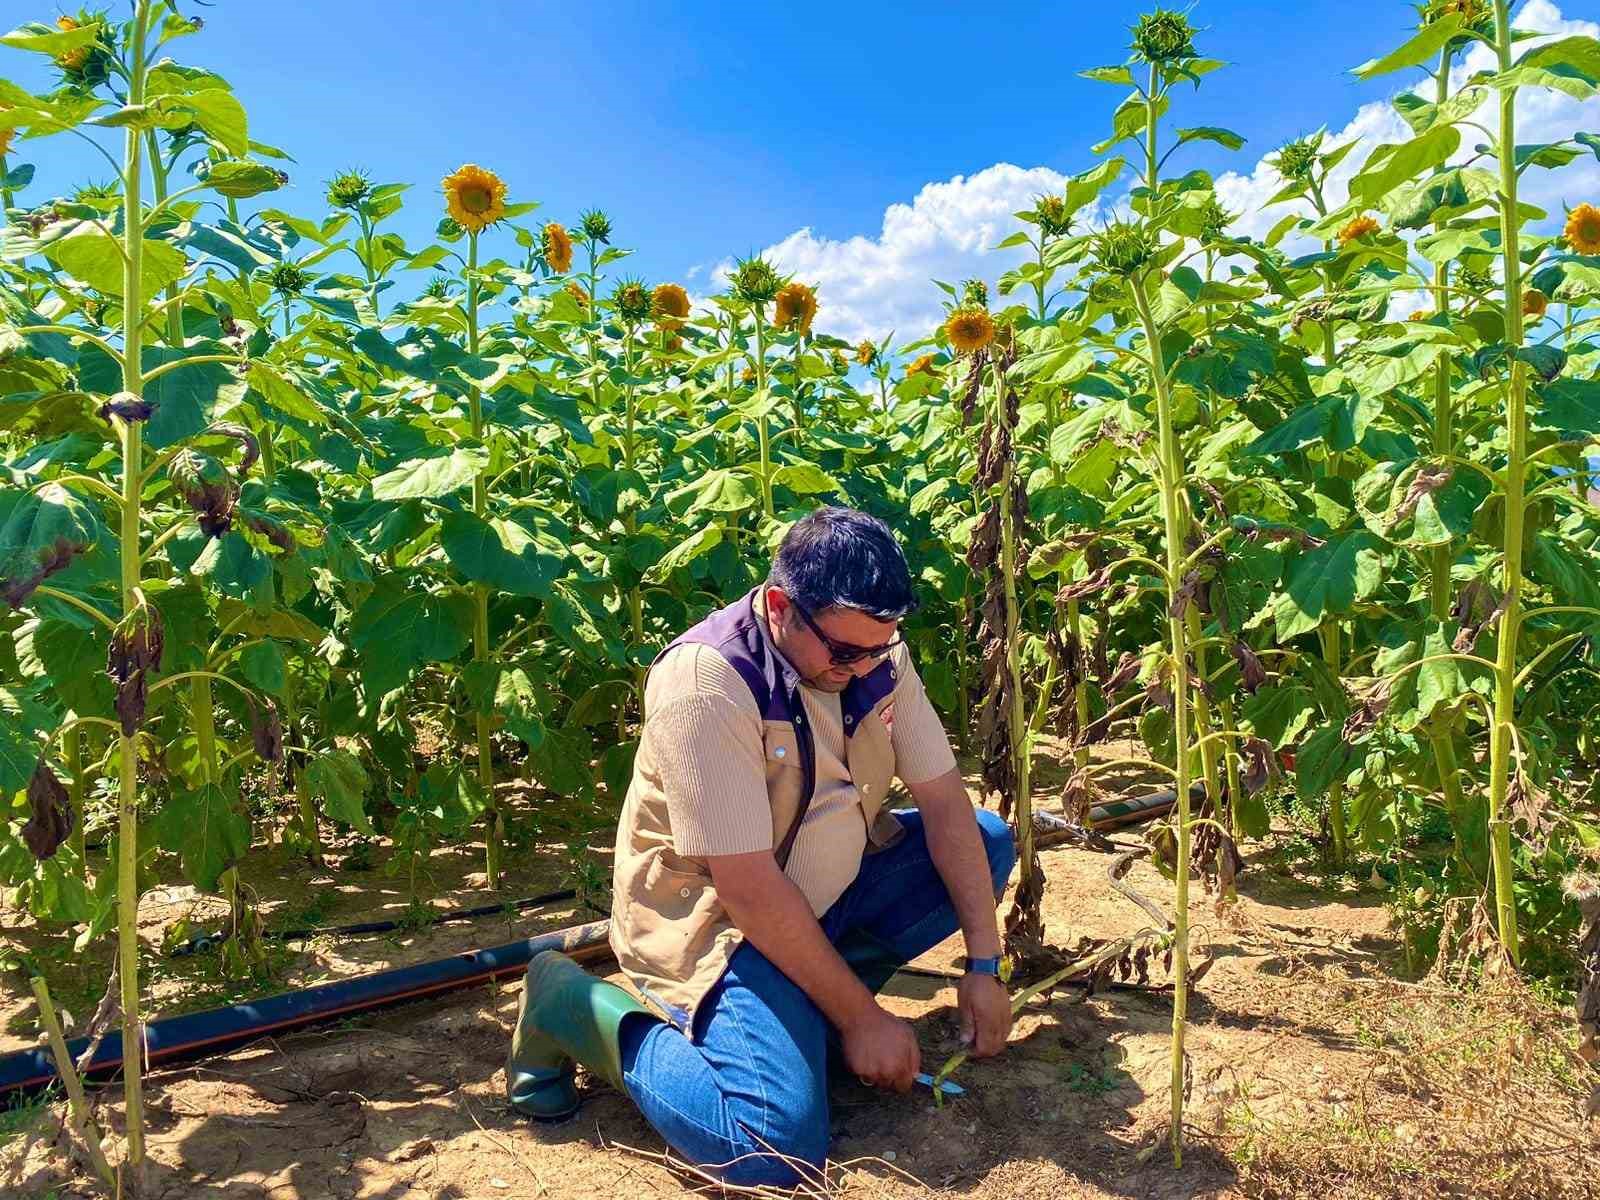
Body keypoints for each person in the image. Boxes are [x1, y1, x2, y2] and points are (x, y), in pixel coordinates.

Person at [505, 506, 1015, 1186]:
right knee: (769, 1148)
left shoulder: (872, 653)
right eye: (844, 652)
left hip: (827, 892)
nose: (864, 667)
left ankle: (808, 1012)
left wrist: (984, 965)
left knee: (986, 841)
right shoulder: (707, 684)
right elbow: (745, 886)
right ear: (780, 606)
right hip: (723, 920)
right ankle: (569, 1004)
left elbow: (947, 803)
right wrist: (863, 1018)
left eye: (879, 648)